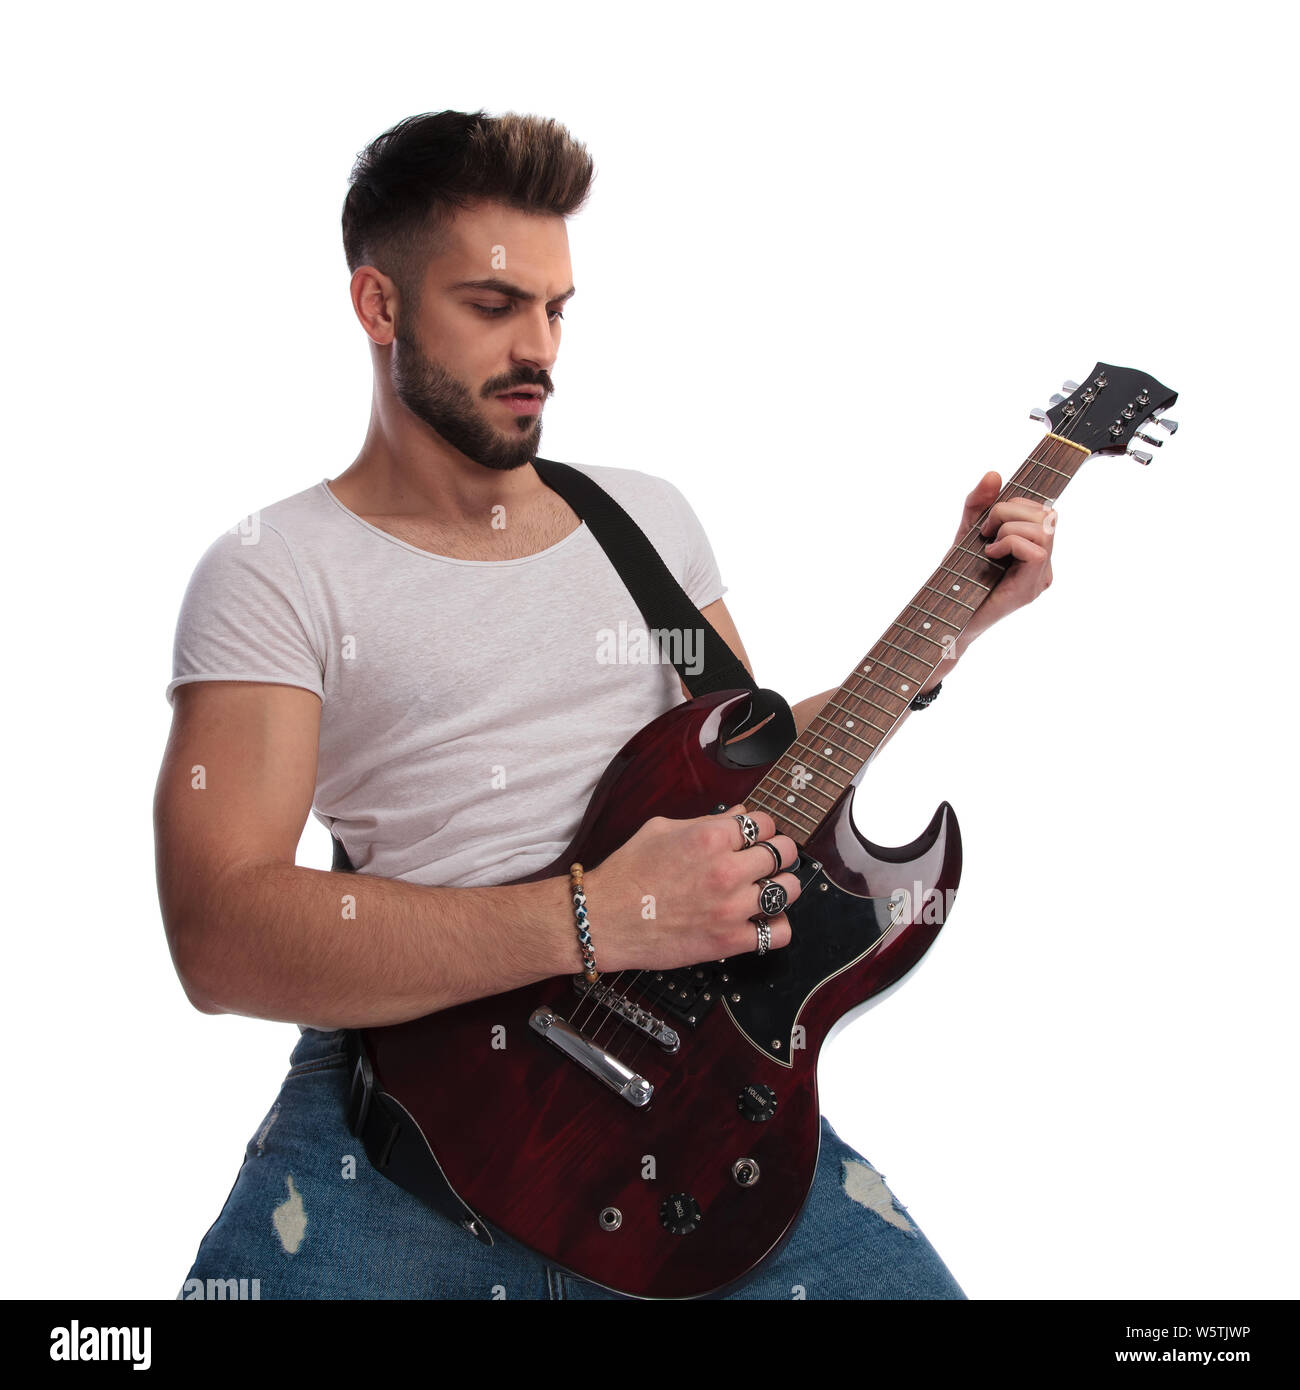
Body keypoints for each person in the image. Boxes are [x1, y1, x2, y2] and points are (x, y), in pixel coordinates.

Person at [156, 109, 1056, 1301]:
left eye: (556, 307)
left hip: (697, 1105)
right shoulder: (279, 569)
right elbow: (220, 936)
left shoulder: (641, 525)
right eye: (492, 307)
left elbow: (759, 765)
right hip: (409, 1125)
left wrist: (952, 621)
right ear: (378, 306)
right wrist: (598, 918)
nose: (540, 348)